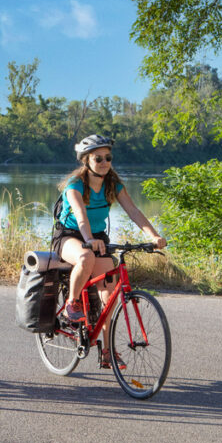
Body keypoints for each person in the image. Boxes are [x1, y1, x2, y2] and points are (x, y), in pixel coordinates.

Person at [52, 134, 166, 368]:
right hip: (69, 236)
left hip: (97, 239)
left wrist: (153, 236)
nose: (104, 162)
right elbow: (81, 217)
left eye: (108, 158)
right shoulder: (75, 185)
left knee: (109, 297)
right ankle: (71, 305)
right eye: (98, 158)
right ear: (86, 160)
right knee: (86, 257)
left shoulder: (113, 185)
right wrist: (89, 240)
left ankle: (107, 352)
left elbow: (134, 211)